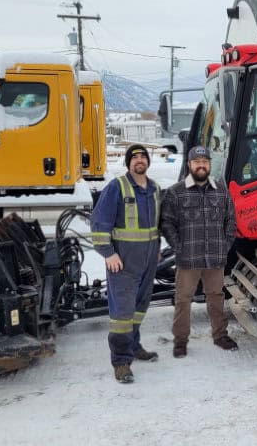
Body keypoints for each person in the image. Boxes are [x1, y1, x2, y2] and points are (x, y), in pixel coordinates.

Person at [91, 144, 162, 384]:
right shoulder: (117, 187)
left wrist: (157, 249)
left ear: (148, 162)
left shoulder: (154, 189)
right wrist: (108, 253)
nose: (139, 160)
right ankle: (121, 362)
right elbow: (100, 222)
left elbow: (155, 225)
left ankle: (133, 346)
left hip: (148, 259)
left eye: (143, 157)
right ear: (128, 163)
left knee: (139, 308)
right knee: (122, 313)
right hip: (123, 263)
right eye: (135, 157)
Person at [160, 145, 238, 358]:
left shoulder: (221, 190)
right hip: (188, 259)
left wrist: (225, 243)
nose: (201, 165)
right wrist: (179, 247)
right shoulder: (176, 192)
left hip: (215, 257)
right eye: (197, 162)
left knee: (216, 296)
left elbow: (231, 220)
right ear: (189, 165)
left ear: (209, 164)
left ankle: (220, 335)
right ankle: (180, 341)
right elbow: (166, 223)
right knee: (183, 299)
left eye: (204, 161)